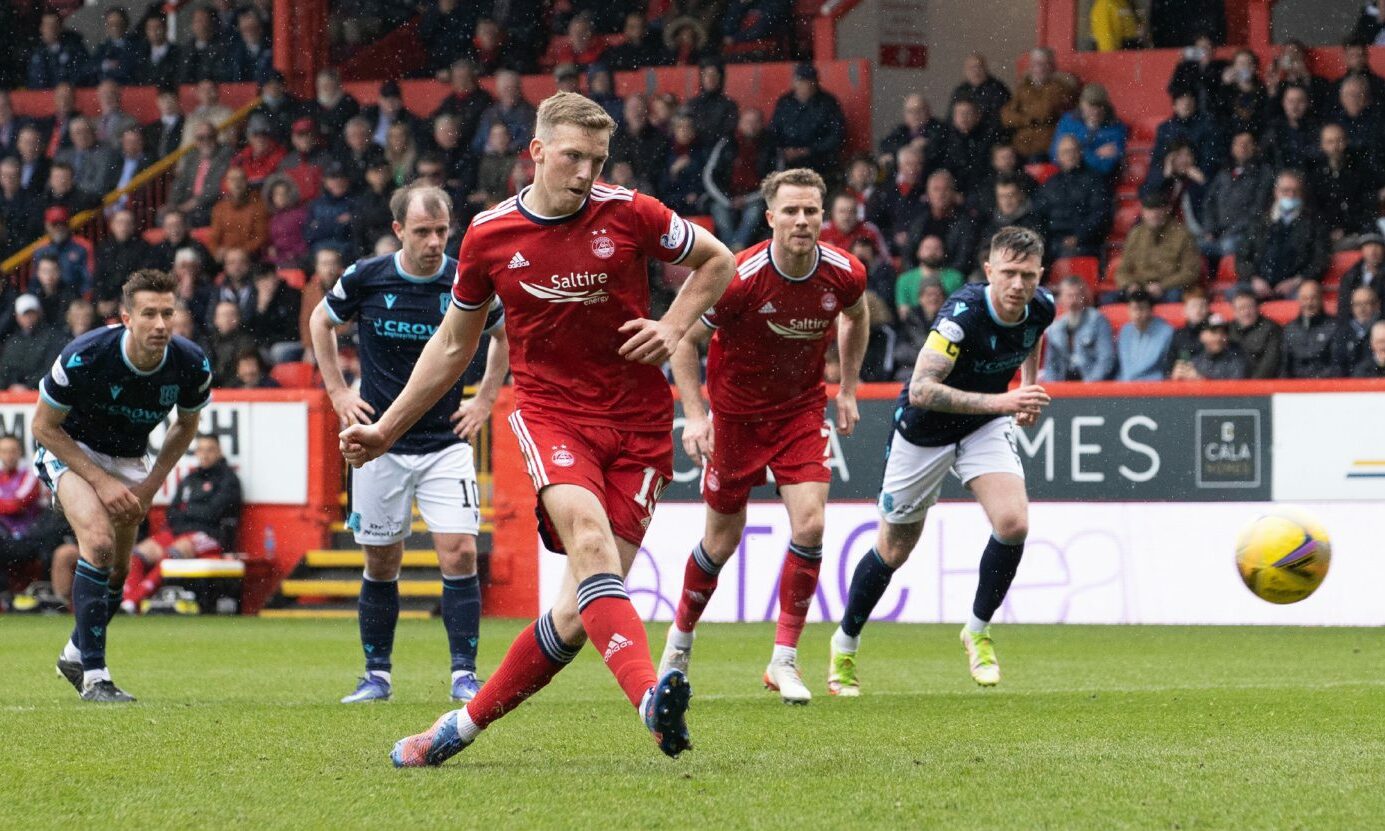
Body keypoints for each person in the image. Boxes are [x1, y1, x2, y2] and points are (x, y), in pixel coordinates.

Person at [341, 92, 735, 766]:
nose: (584, 172)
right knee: (587, 541)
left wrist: (672, 327)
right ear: (537, 151)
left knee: (576, 615)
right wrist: (385, 429)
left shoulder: (631, 212)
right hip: (553, 415)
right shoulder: (490, 236)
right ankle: (649, 698)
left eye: (596, 159)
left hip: (638, 425)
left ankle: (456, 728)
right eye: (573, 156)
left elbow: (717, 260)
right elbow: (450, 346)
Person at [657, 169, 868, 704]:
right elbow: (681, 341)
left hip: (799, 413)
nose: (803, 221)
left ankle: (784, 660)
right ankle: (680, 641)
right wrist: (697, 416)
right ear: (771, 217)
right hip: (735, 420)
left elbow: (856, 316)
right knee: (721, 541)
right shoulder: (739, 276)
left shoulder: (844, 273)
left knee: (813, 523)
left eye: (812, 211)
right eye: (792, 211)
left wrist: (847, 388)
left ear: (823, 216)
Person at [825, 226, 1052, 695]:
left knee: (1013, 523)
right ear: (989, 271)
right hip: (924, 429)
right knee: (895, 549)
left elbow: (1034, 335)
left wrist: (1027, 386)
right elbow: (923, 389)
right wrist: (1006, 402)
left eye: (1027, 275)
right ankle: (844, 645)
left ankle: (977, 630)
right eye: (1007, 273)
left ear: (1039, 275)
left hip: (984, 424)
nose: (1017, 285)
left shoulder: (1042, 305)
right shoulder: (962, 316)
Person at [309, 183, 509, 704]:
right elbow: (320, 321)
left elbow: (505, 335)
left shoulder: (463, 280)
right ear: (398, 230)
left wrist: (485, 400)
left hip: (445, 442)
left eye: (443, 231)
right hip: (380, 445)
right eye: (423, 232)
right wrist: (338, 393)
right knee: (382, 562)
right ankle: (376, 675)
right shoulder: (366, 277)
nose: (435, 242)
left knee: (460, 552)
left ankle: (464, 675)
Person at [33, 270, 211, 702]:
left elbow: (186, 427)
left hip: (130, 459)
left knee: (118, 569)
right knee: (97, 542)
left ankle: (77, 651)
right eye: (149, 314)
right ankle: (95, 678)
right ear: (126, 318)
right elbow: (42, 426)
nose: (161, 324)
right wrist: (100, 482)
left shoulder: (190, 362)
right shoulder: (86, 355)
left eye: (168, 313)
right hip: (70, 449)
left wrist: (148, 486)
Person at [122, 434, 242, 611]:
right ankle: (126, 600)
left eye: (210, 450)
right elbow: (172, 513)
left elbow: (213, 513)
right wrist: (194, 511)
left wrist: (187, 510)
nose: (204, 455)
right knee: (136, 554)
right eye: (200, 450)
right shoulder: (189, 480)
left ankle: (134, 601)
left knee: (172, 553)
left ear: (219, 452)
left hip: (208, 536)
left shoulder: (228, 479)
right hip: (178, 532)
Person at [1236, 170, 1329, 300]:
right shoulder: (1259, 221)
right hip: (1258, 286)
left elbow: (1320, 260)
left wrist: (1296, 281)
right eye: (1286, 190)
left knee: (1308, 297)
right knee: (1236, 296)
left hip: (1296, 287)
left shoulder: (1314, 223)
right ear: (1276, 192)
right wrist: (1254, 279)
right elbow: (1242, 256)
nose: (1290, 195)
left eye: (1295, 191)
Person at [1114, 189, 1202, 301]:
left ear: (1167, 210)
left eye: (1158, 209)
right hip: (1140, 287)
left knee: (1174, 296)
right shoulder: (1135, 234)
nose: (1153, 214)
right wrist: (1130, 284)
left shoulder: (1182, 235)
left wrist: (1162, 285)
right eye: (1149, 210)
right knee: (1108, 299)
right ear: (1143, 212)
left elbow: (1191, 272)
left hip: (1168, 288)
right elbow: (1122, 270)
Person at [1201, 131, 1273, 260]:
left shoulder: (1264, 173)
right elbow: (1209, 203)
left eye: (1247, 143)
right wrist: (1210, 230)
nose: (1242, 147)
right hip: (1218, 234)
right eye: (1238, 144)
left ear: (1255, 147)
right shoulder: (1224, 172)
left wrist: (1230, 231)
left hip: (1244, 234)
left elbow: (1258, 209)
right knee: (1194, 248)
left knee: (1228, 245)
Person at [1036, 135, 1110, 259]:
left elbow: (1100, 214)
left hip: (1083, 243)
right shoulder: (1050, 183)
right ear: (1058, 156)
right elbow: (1038, 214)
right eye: (1065, 152)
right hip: (1052, 241)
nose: (1070, 155)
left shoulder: (1095, 180)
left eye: (1073, 151)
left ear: (1080, 153)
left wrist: (1079, 237)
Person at [768, 64, 846, 178]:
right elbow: (773, 130)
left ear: (816, 82)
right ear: (794, 82)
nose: (806, 85)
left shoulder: (828, 103)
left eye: (810, 81)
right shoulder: (785, 102)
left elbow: (837, 135)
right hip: (787, 159)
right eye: (801, 81)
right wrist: (784, 150)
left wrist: (809, 150)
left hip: (819, 160)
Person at [1000, 48, 1074, 161]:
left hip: (1045, 145)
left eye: (1045, 64)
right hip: (1021, 144)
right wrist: (1026, 120)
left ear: (1052, 66)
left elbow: (1043, 113)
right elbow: (1006, 116)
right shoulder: (1023, 87)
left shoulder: (1058, 87)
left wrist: (1022, 116)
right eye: (1036, 63)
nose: (1040, 68)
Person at [1042, 275, 1116, 381]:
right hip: (1063, 387)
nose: (1073, 301)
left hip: (1091, 384)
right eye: (1069, 296)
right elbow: (1050, 365)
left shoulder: (1097, 321)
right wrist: (1054, 389)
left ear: (1084, 297)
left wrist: (1088, 387)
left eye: (1077, 296)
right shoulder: (1055, 328)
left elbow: (1106, 360)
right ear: (1061, 298)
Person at [0, 294, 64, 390]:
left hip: (40, 392)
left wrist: (28, 386)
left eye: (32, 313)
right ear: (17, 317)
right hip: (11, 395)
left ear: (39, 314)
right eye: (25, 314)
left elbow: (49, 369)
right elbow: (4, 371)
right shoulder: (11, 342)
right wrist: (11, 385)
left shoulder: (51, 338)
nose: (28, 318)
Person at [896, 236, 963, 320]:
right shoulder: (904, 280)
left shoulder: (955, 277)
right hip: (916, 327)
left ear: (944, 252)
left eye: (937, 248)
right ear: (918, 252)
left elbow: (959, 309)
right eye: (927, 248)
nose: (932, 252)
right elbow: (904, 313)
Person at [1281, 280, 1336, 378]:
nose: (1309, 303)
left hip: (1326, 386)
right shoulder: (1290, 329)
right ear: (1298, 300)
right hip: (1296, 388)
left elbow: (1336, 364)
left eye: (1313, 298)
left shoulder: (1334, 326)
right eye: (1304, 298)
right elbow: (1284, 366)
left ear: (1321, 299)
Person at [1116, 289, 1174, 380]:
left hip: (1153, 386)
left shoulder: (1166, 332)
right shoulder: (1125, 330)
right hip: (1124, 385)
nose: (1137, 314)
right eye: (1134, 309)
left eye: (1142, 309)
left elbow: (1166, 367)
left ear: (1151, 310)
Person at [1171, 313, 1247, 379]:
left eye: (1223, 333)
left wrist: (1201, 380)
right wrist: (1175, 380)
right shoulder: (1195, 361)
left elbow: (1235, 390)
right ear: (1202, 336)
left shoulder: (1237, 361)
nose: (1218, 338)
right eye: (1213, 332)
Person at [1228, 287, 1283, 378]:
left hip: (1262, 385)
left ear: (1257, 308)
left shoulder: (1271, 329)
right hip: (1233, 385)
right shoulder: (1229, 329)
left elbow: (1270, 364)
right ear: (1234, 311)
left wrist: (1252, 386)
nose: (1246, 312)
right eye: (1241, 308)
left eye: (1249, 307)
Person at [1333, 286, 1382, 375]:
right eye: (1357, 304)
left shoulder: (1382, 330)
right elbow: (1338, 364)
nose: (1362, 309)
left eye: (1366, 303)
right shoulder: (1343, 332)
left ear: (1377, 305)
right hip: (1349, 384)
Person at [1336, 233, 1385, 318]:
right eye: (1368, 246)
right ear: (1362, 250)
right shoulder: (1350, 276)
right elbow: (1343, 307)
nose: (1373, 250)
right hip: (1354, 324)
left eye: (1377, 246)